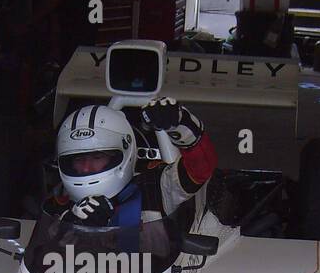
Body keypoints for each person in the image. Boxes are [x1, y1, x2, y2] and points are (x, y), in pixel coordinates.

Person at [49, 98, 217, 229]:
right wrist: (72, 226)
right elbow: (43, 253)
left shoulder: (155, 188)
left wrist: (182, 124)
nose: (86, 168)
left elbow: (201, 169)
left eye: (97, 157)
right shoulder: (59, 204)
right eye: (78, 159)